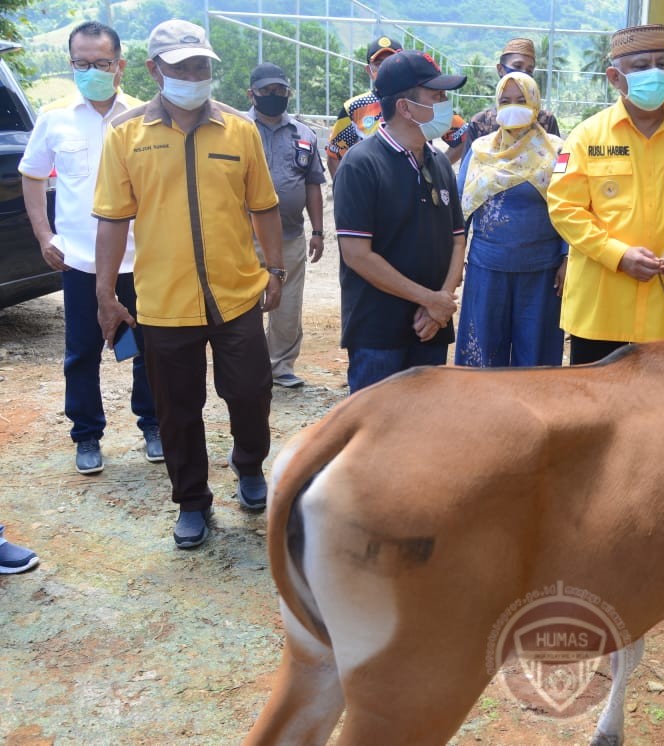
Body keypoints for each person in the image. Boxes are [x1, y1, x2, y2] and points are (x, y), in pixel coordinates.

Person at [93, 20, 284, 549]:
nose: (194, 75)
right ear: (155, 70)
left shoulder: (239, 130)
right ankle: (192, 501)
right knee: (176, 410)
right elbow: (112, 219)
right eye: (181, 67)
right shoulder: (127, 135)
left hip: (237, 294)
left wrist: (277, 269)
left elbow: (263, 206)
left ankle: (249, 467)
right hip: (163, 302)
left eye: (201, 65)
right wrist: (105, 295)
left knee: (250, 393)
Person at [18, 21, 161, 476]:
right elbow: (32, 174)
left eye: (101, 63)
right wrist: (45, 235)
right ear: (71, 63)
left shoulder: (144, 116)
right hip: (78, 260)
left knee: (149, 348)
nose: (91, 71)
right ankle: (87, 435)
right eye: (81, 63)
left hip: (144, 259)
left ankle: (154, 425)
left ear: (120, 65)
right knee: (82, 353)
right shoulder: (54, 117)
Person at [547, 24, 664, 365]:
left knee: (657, 413)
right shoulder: (586, 136)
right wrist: (617, 255)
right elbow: (564, 208)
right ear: (615, 77)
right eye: (642, 66)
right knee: (596, 413)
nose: (657, 73)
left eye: (663, 63)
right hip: (600, 310)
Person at [334, 50, 467, 391]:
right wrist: (429, 299)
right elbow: (357, 254)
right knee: (377, 435)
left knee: (423, 432)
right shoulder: (361, 164)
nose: (445, 104)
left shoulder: (438, 162)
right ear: (406, 108)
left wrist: (441, 301)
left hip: (431, 329)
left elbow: (456, 238)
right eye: (436, 96)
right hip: (379, 333)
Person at [454, 72, 566, 368]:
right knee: (483, 356)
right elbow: (458, 213)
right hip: (486, 269)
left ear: (535, 104)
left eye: (521, 100)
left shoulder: (559, 151)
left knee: (536, 357)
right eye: (505, 101)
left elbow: (573, 205)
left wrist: (568, 259)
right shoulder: (480, 151)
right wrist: (452, 268)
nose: (513, 107)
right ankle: (484, 414)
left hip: (543, 271)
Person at [245, 62, 326, 389]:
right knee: (245, 307)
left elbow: (312, 185)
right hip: (243, 238)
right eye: (268, 91)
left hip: (290, 236)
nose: (275, 96)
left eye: (281, 91)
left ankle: (280, 367)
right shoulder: (236, 129)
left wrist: (318, 231)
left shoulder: (304, 134)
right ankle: (248, 368)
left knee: (288, 307)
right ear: (252, 94)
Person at [446, 38, 561, 164]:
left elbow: (560, 165)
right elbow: (468, 170)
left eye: (529, 70)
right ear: (500, 69)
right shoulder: (481, 123)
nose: (523, 74)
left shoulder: (545, 120)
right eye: (517, 66)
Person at [325, 35, 402, 179]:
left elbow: (458, 136)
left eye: (392, 61)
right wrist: (346, 194)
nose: (386, 68)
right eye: (379, 63)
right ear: (369, 70)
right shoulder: (353, 108)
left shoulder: (419, 100)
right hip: (369, 194)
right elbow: (334, 155)